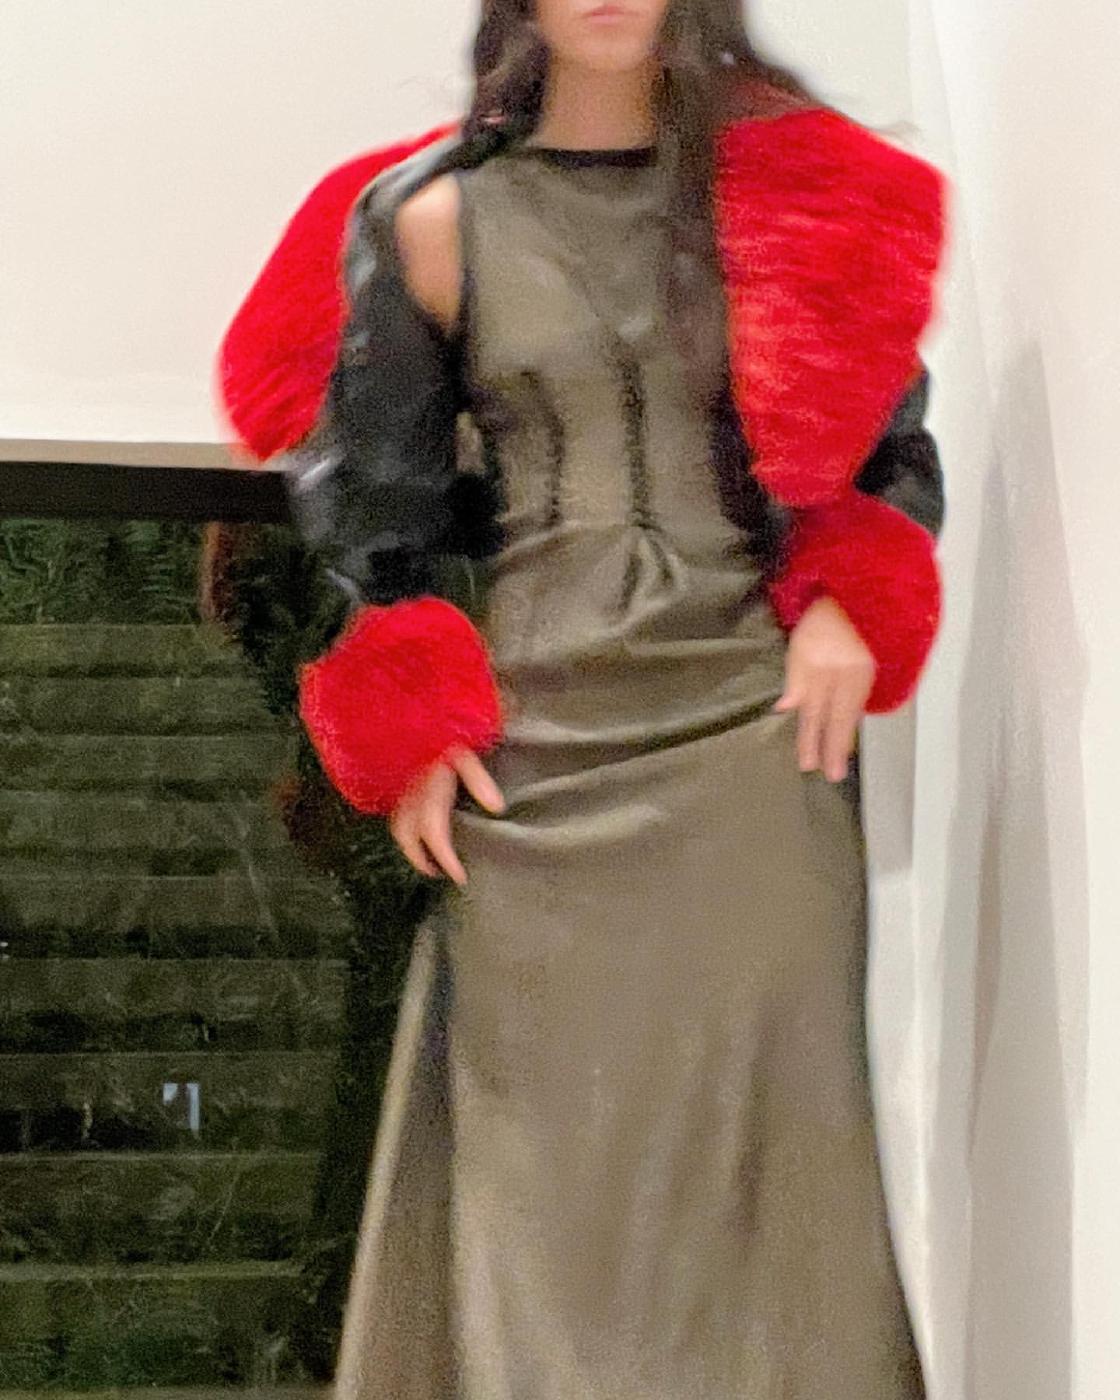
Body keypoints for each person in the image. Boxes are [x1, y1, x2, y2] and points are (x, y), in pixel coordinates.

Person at [218, 1, 948, 1394]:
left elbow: (886, 448)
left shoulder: (798, 197)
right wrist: (408, 720)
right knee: (542, 1177)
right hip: (532, 759)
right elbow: (376, 507)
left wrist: (849, 595)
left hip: (751, 738)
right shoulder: (430, 218)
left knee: (779, 1157)